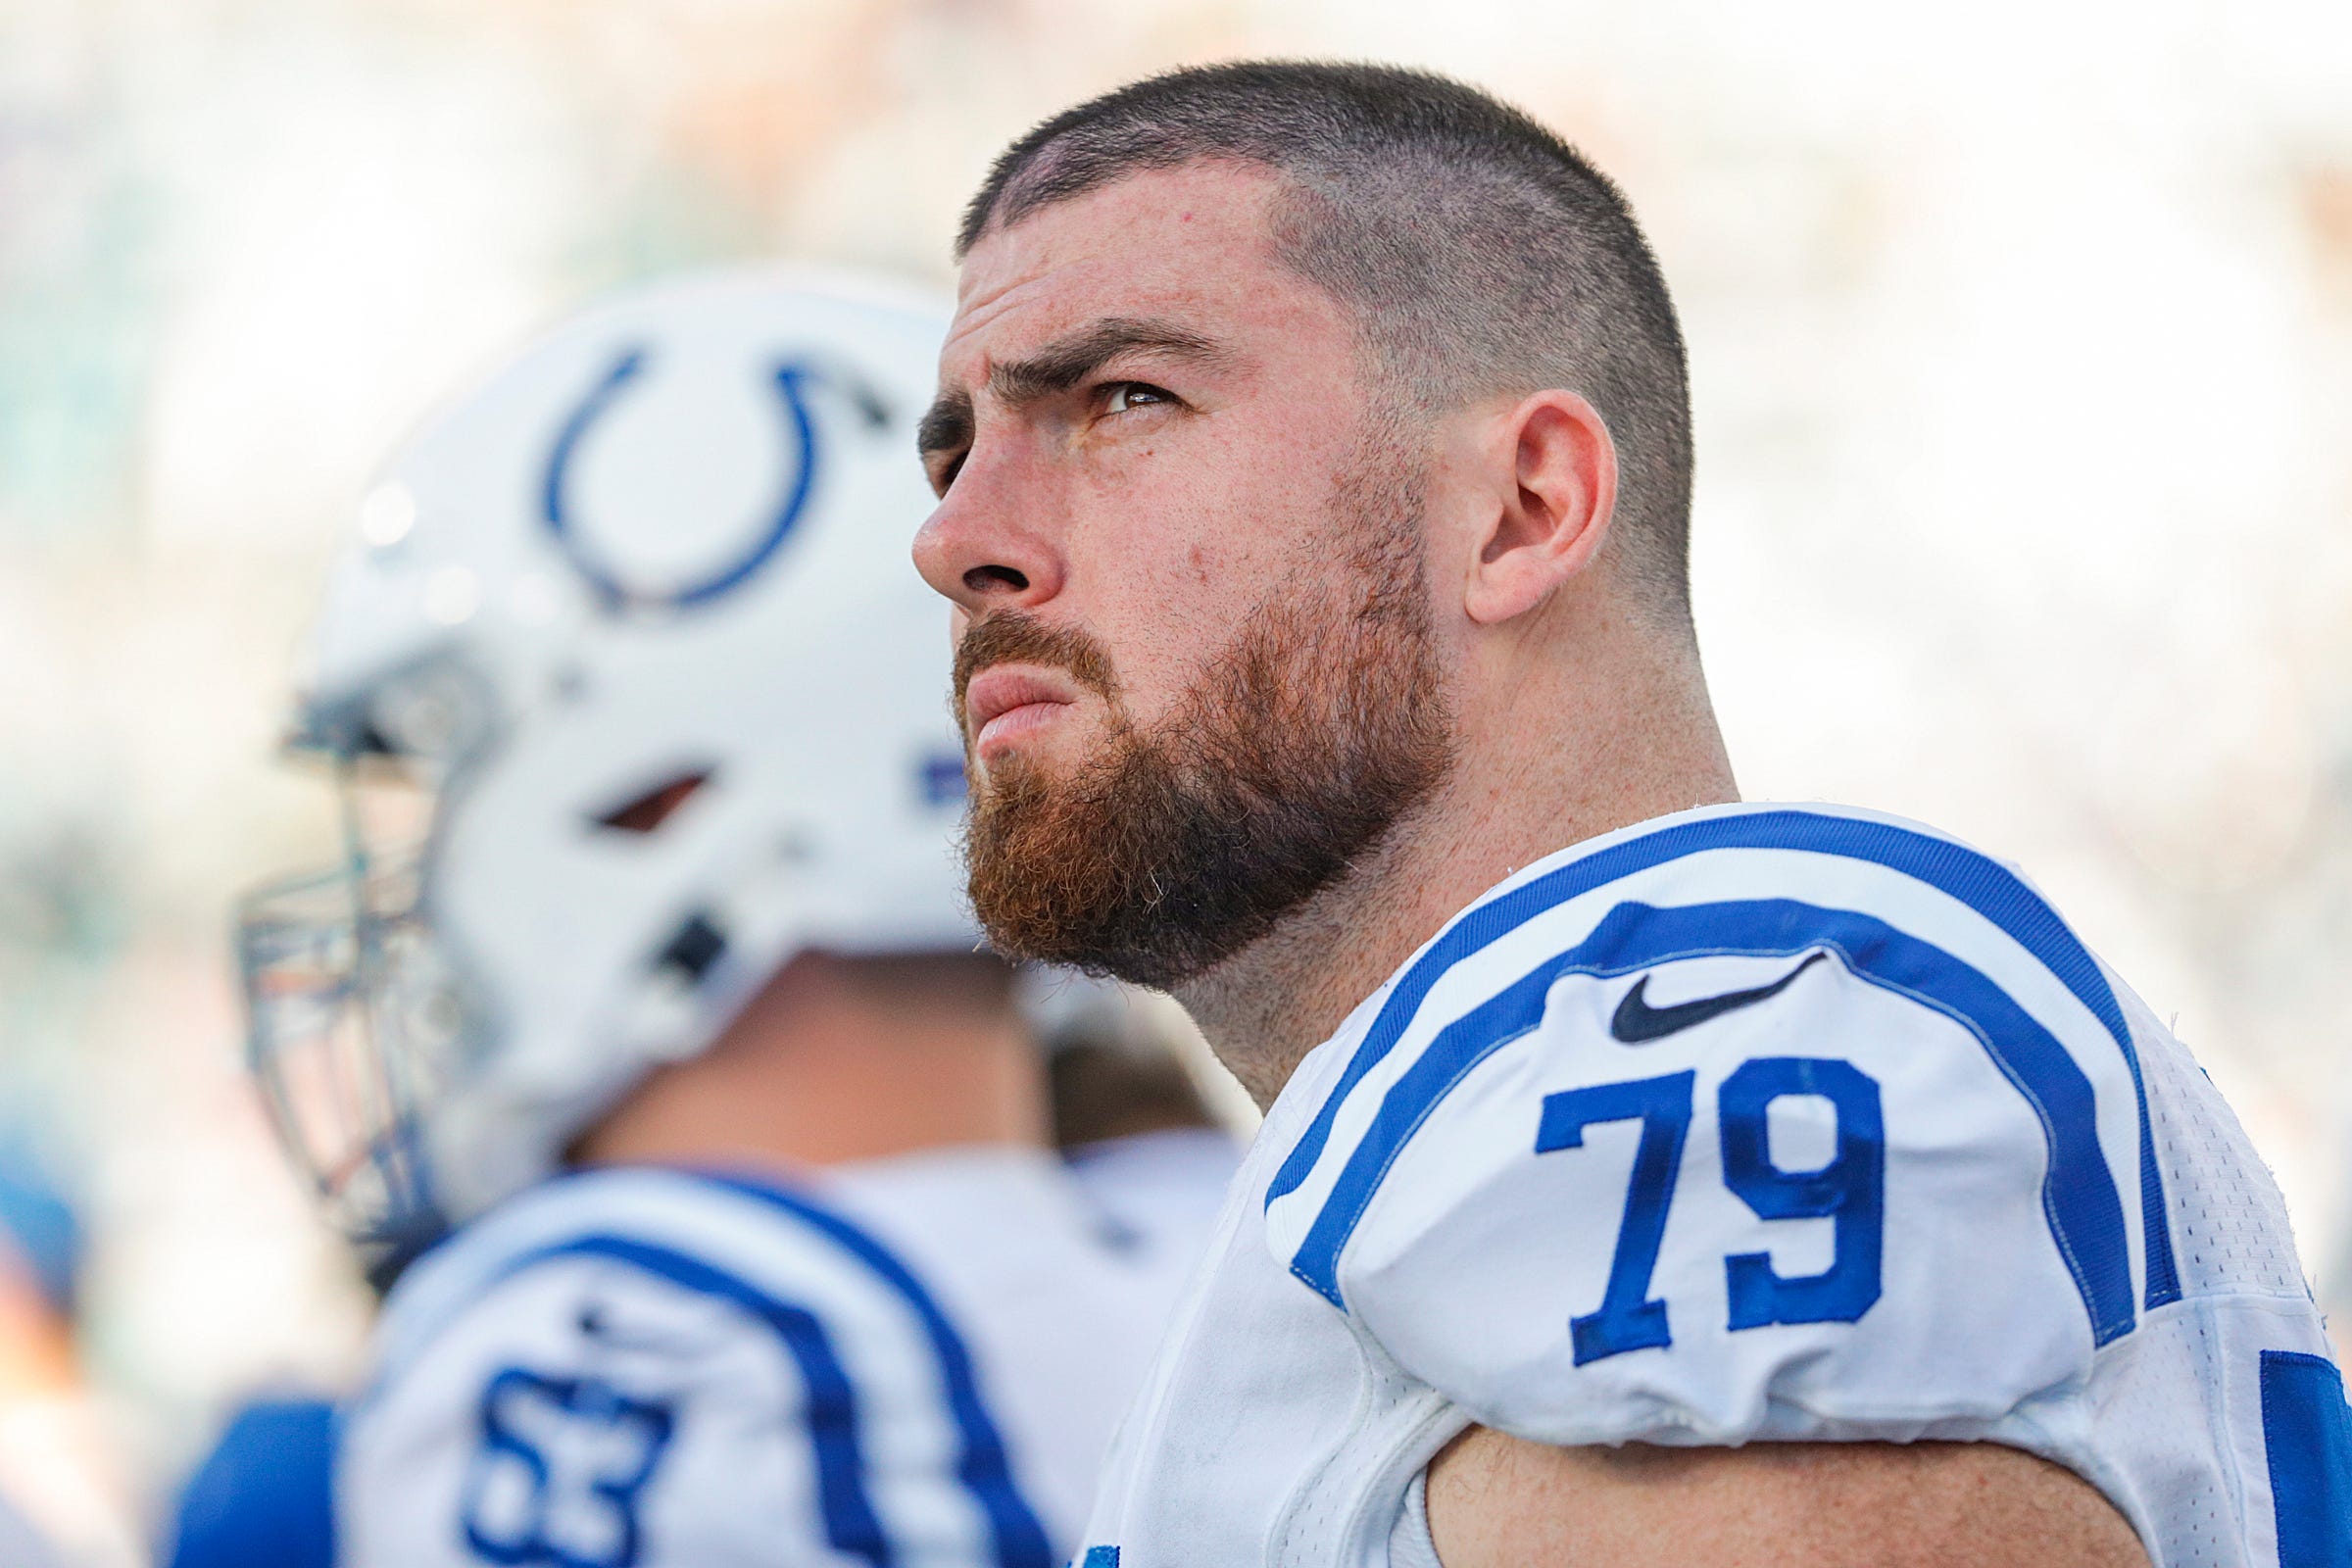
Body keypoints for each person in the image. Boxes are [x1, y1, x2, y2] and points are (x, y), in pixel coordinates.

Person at [911, 61, 2350, 1568]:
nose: (954, 540)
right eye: (953, 450)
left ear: (1526, 507)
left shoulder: (1698, 1019)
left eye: (1121, 399)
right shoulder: (1436, 1131)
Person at [235, 266, 1232, 1566]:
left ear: (656, 793)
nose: (420, 887)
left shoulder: (640, 1323)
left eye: (446, 776)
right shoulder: (1228, 1235)